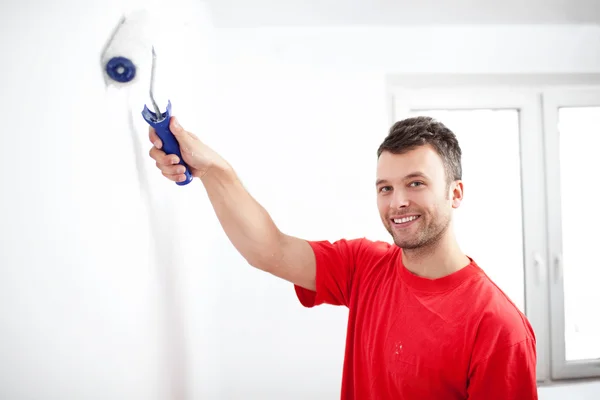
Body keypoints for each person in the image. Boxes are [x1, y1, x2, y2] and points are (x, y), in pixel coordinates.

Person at [148, 115, 538, 399]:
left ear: (455, 193)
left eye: (415, 183)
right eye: (385, 188)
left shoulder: (500, 330)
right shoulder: (366, 266)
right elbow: (269, 249)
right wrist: (216, 169)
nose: (397, 202)